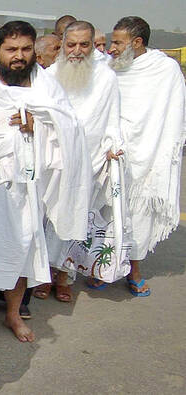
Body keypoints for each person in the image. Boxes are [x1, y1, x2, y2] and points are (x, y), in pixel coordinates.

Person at [0, 20, 91, 342]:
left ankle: (13, 314)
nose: (19, 56)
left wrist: (39, 126)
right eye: (11, 49)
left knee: (22, 244)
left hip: (27, 185)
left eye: (26, 49)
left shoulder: (47, 88)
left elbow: (72, 130)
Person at [36, 21, 124, 300]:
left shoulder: (106, 77)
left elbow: (112, 118)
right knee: (47, 216)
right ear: (62, 44)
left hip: (90, 158)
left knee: (75, 217)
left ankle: (65, 275)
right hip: (54, 157)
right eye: (70, 44)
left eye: (83, 44)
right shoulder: (49, 74)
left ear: (91, 45)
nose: (76, 50)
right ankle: (44, 274)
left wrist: (113, 145)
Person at [108, 16, 185, 296]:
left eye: (118, 42)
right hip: (113, 154)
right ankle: (103, 267)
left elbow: (173, 113)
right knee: (108, 213)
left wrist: (160, 150)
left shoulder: (164, 70)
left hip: (148, 154)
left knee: (139, 216)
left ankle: (134, 270)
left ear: (137, 42)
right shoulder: (111, 69)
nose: (112, 47)